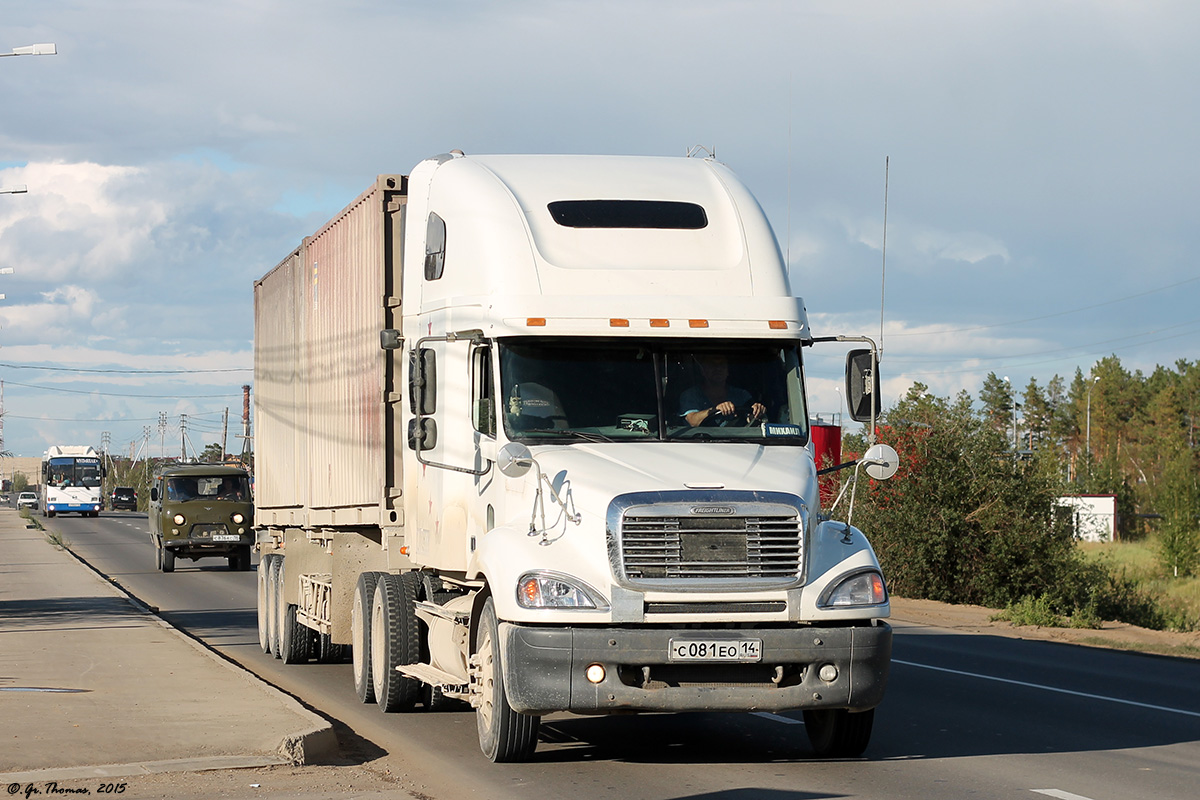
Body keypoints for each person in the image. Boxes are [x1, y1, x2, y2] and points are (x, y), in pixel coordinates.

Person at [679, 354, 766, 427]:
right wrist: (715, 409)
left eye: (722, 365)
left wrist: (757, 412)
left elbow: (750, 418)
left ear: (727, 371)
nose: (718, 368)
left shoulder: (741, 395)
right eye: (712, 365)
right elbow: (693, 420)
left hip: (739, 443)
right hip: (699, 443)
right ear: (703, 370)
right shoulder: (691, 395)